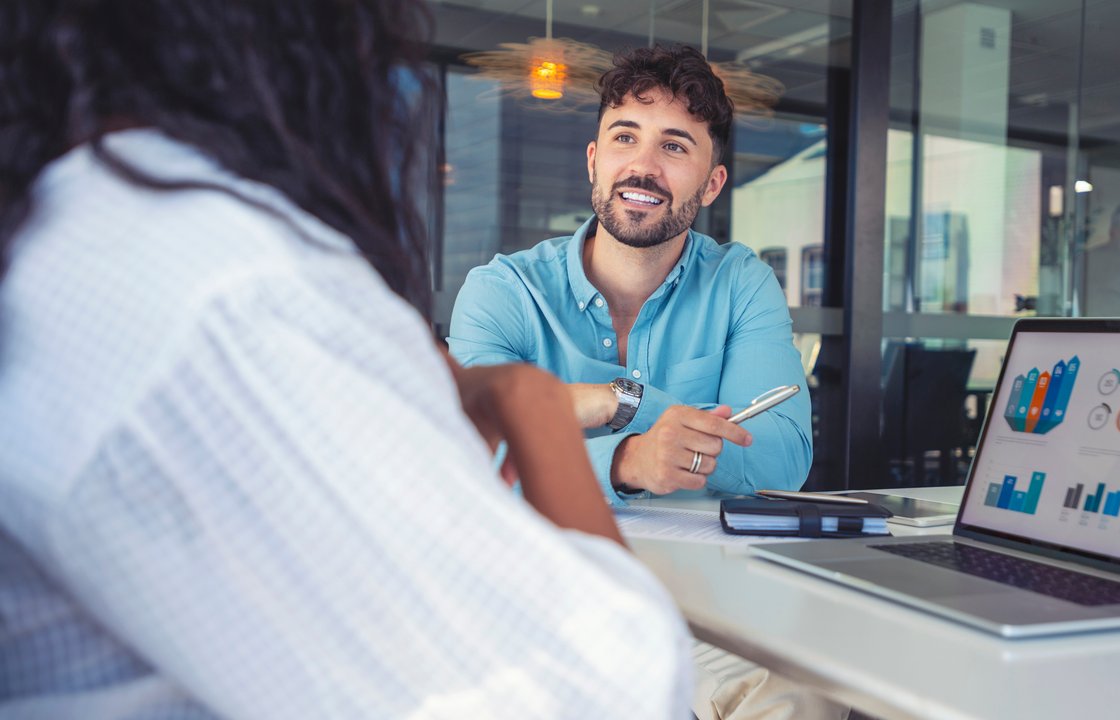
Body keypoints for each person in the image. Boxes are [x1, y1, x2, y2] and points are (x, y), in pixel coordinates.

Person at [0, 2, 691, 717]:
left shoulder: (77, 228)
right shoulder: (228, 291)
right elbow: (607, 691)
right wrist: (538, 407)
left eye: (676, 144)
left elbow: (774, 453)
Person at [448, 45, 812, 504]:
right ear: (592, 162)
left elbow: (780, 462)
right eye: (625, 138)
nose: (642, 167)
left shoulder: (741, 285)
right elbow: (464, 456)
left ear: (712, 185)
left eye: (674, 146)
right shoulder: (504, 292)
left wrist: (625, 402)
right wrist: (627, 461)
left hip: (705, 573)